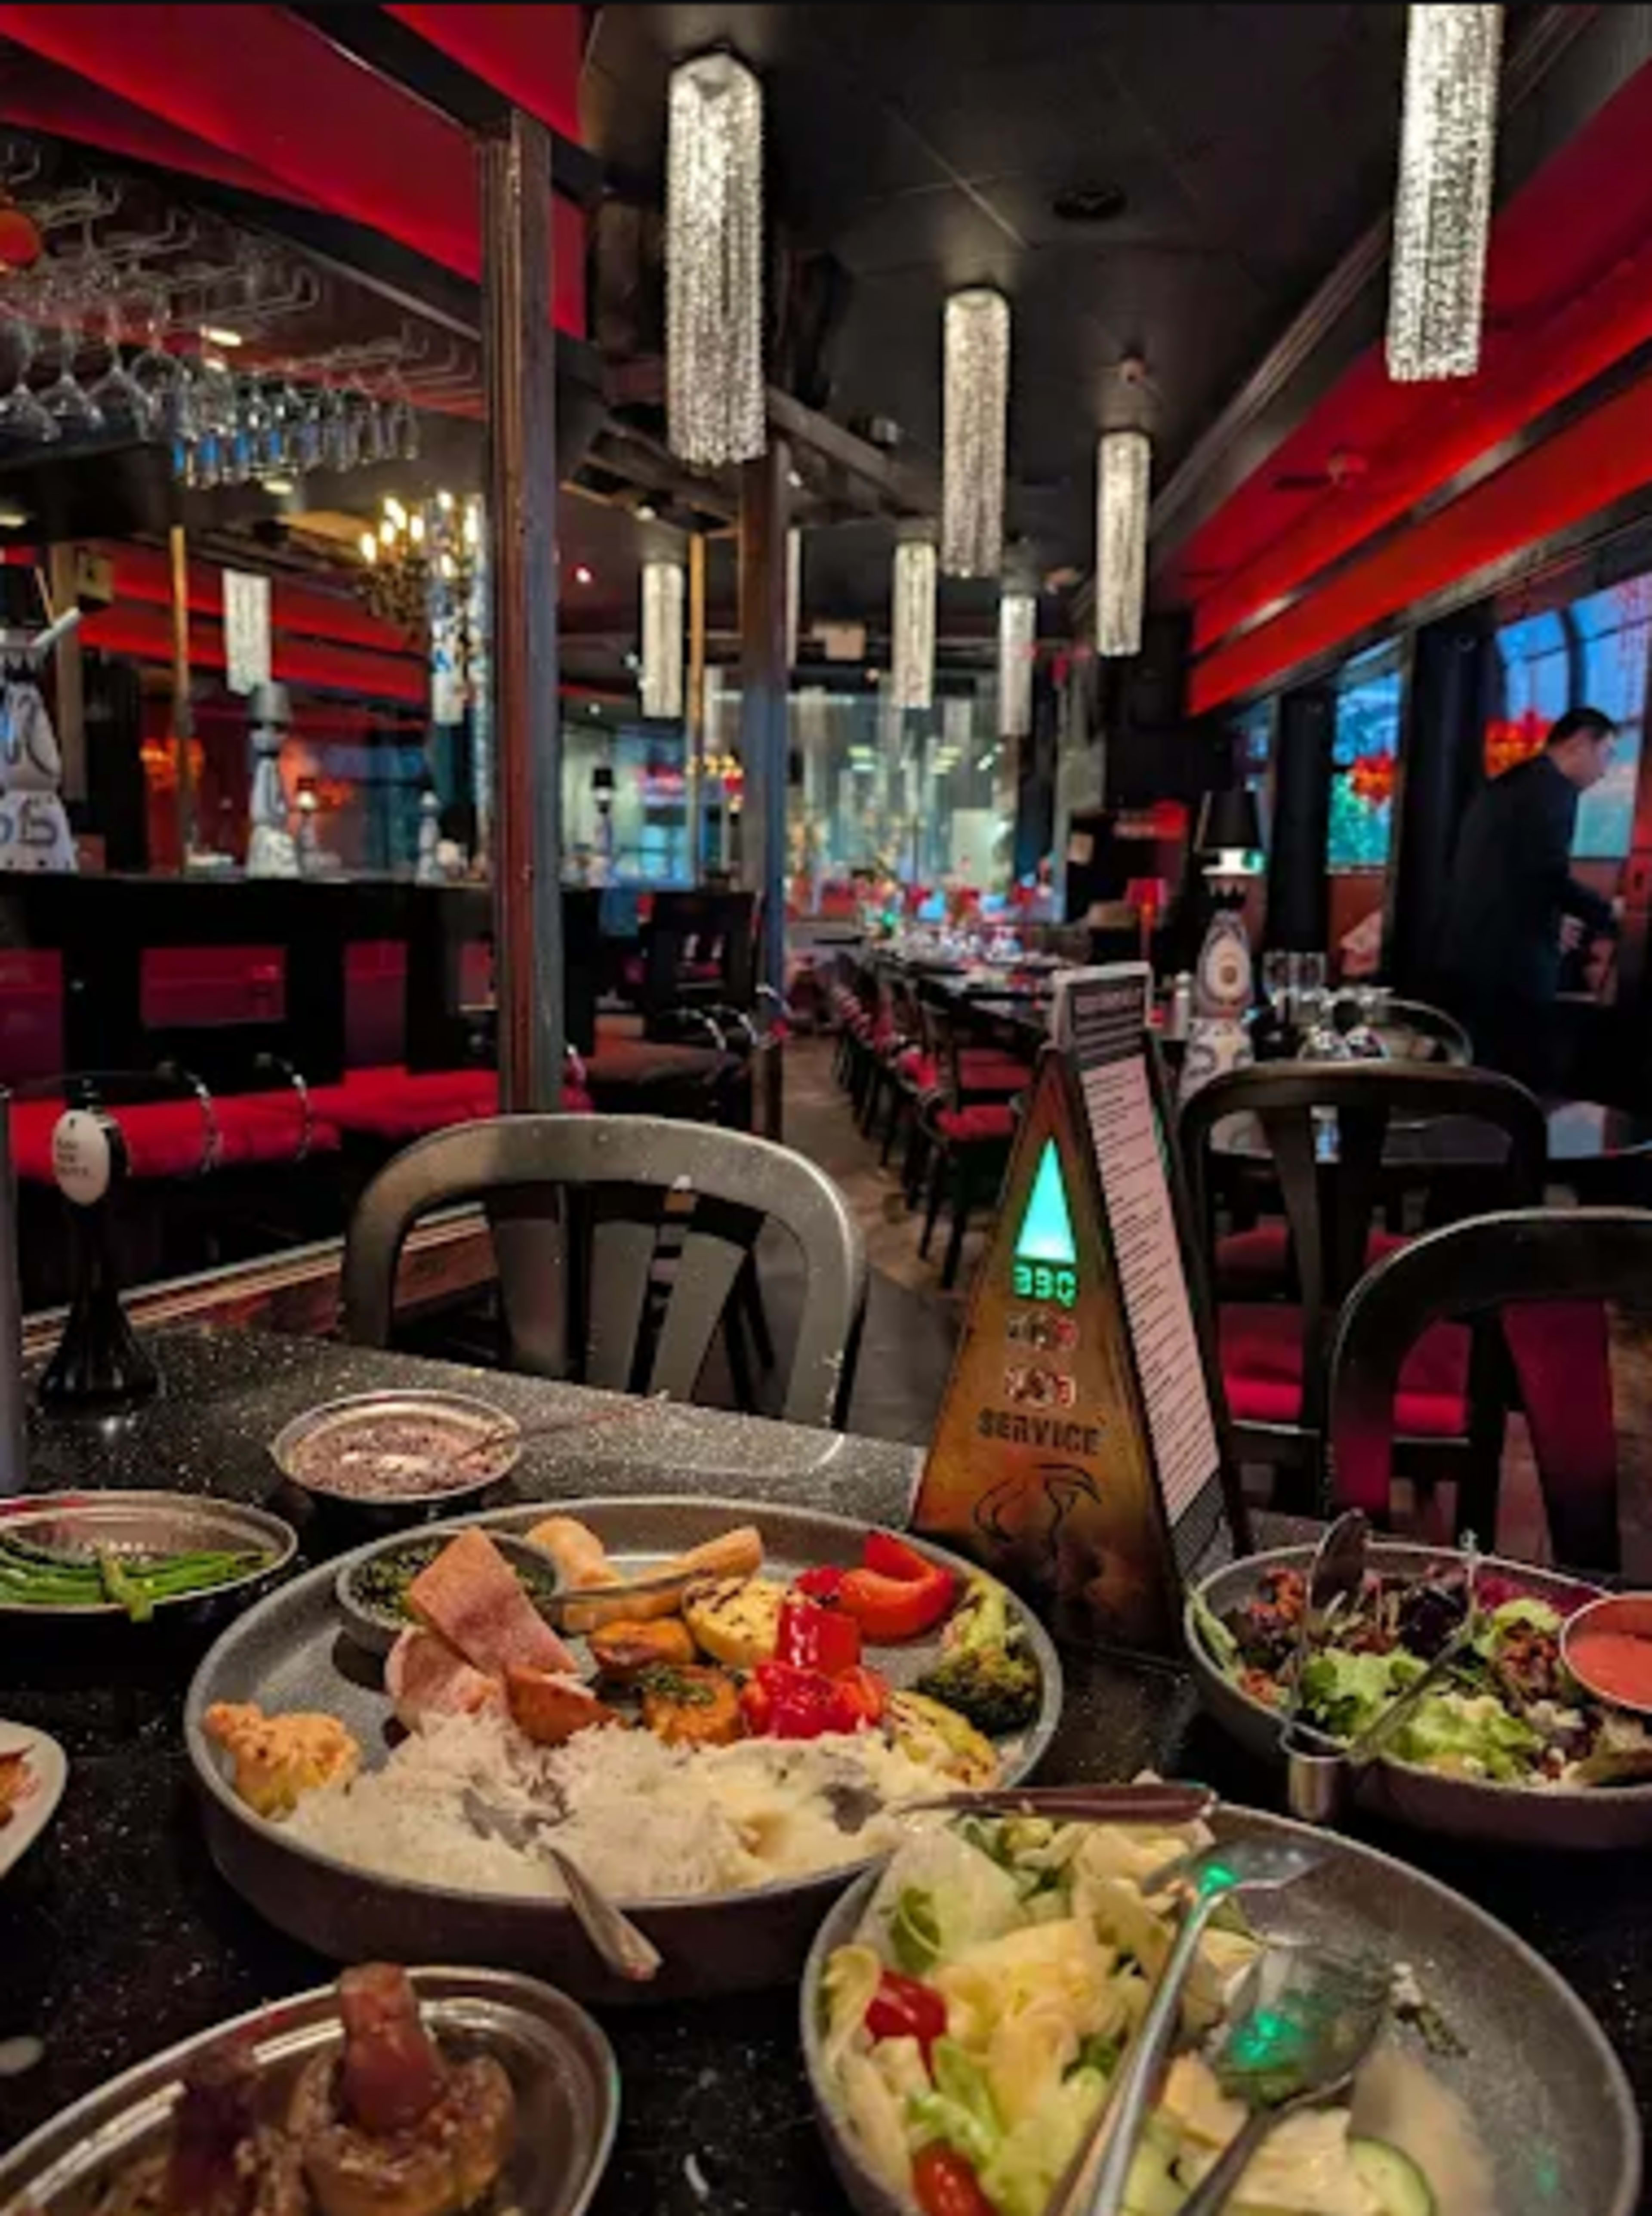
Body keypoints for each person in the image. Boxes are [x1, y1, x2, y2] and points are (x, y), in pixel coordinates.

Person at [1438, 704, 1618, 1091]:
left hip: (1469, 952)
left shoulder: (1507, 786)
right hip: (1513, 964)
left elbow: (1507, 876)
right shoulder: (1553, 791)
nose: (1604, 772)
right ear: (1580, 745)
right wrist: (1610, 914)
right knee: (1523, 1082)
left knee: (1479, 1078)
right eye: (1606, 755)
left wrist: (1555, 919)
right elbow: (1546, 873)